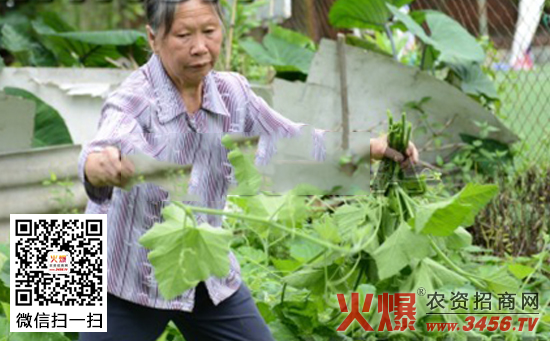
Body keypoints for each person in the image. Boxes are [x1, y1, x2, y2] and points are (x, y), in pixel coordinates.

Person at [78, 0, 419, 340]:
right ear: (153, 38)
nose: (200, 47)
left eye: (209, 32)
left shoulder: (233, 93)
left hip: (204, 270)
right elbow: (106, 143)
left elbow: (292, 140)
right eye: (183, 35)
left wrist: (368, 148)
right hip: (126, 276)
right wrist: (99, 165)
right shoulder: (134, 98)